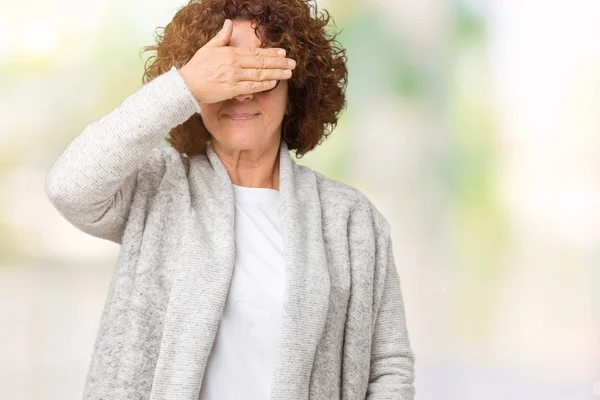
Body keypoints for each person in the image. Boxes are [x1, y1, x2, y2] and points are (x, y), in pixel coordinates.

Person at [45, 0, 415, 399]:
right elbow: (70, 186)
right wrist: (182, 86)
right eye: (224, 74)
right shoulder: (158, 187)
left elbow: (388, 367)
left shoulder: (350, 220)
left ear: (295, 88)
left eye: (261, 74)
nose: (242, 93)